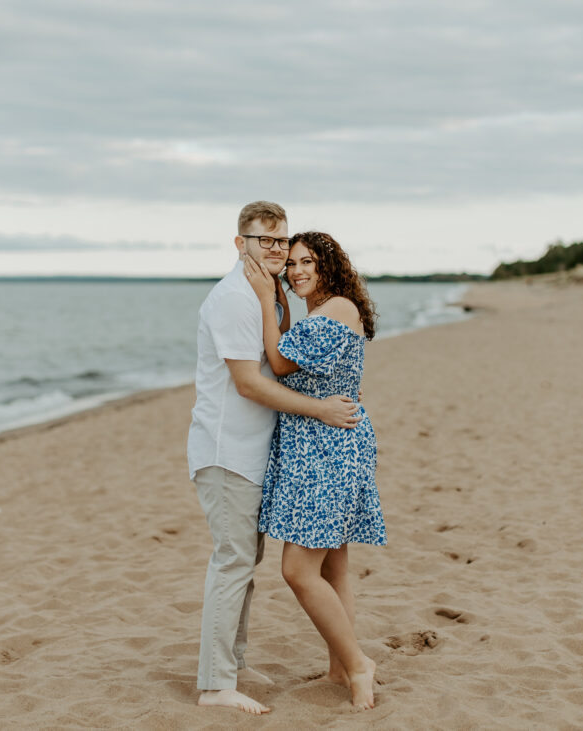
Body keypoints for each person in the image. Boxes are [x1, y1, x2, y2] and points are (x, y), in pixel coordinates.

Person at [187, 202, 361, 716]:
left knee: (245, 563)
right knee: (233, 563)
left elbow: (282, 358)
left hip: (256, 453)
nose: (278, 250)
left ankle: (232, 666)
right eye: (265, 241)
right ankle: (216, 685)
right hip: (227, 451)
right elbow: (250, 382)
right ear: (240, 244)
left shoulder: (269, 295)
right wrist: (321, 410)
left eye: (282, 241)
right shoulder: (234, 299)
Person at [244, 230, 386, 711]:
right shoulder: (320, 312)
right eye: (293, 265)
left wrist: (267, 297)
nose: (299, 270)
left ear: (330, 266)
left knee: (298, 569)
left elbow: (280, 363)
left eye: (309, 262)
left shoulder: (338, 308)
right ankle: (340, 666)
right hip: (321, 444)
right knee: (333, 565)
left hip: (328, 448)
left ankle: (358, 662)